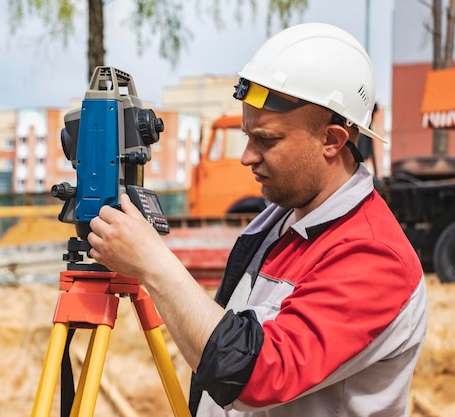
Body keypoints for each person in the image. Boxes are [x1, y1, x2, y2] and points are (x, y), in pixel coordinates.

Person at [87, 22, 428, 416]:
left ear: (332, 141)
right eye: (247, 136)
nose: (247, 156)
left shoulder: (372, 256)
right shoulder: (281, 221)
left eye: (266, 140)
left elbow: (256, 377)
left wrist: (154, 264)